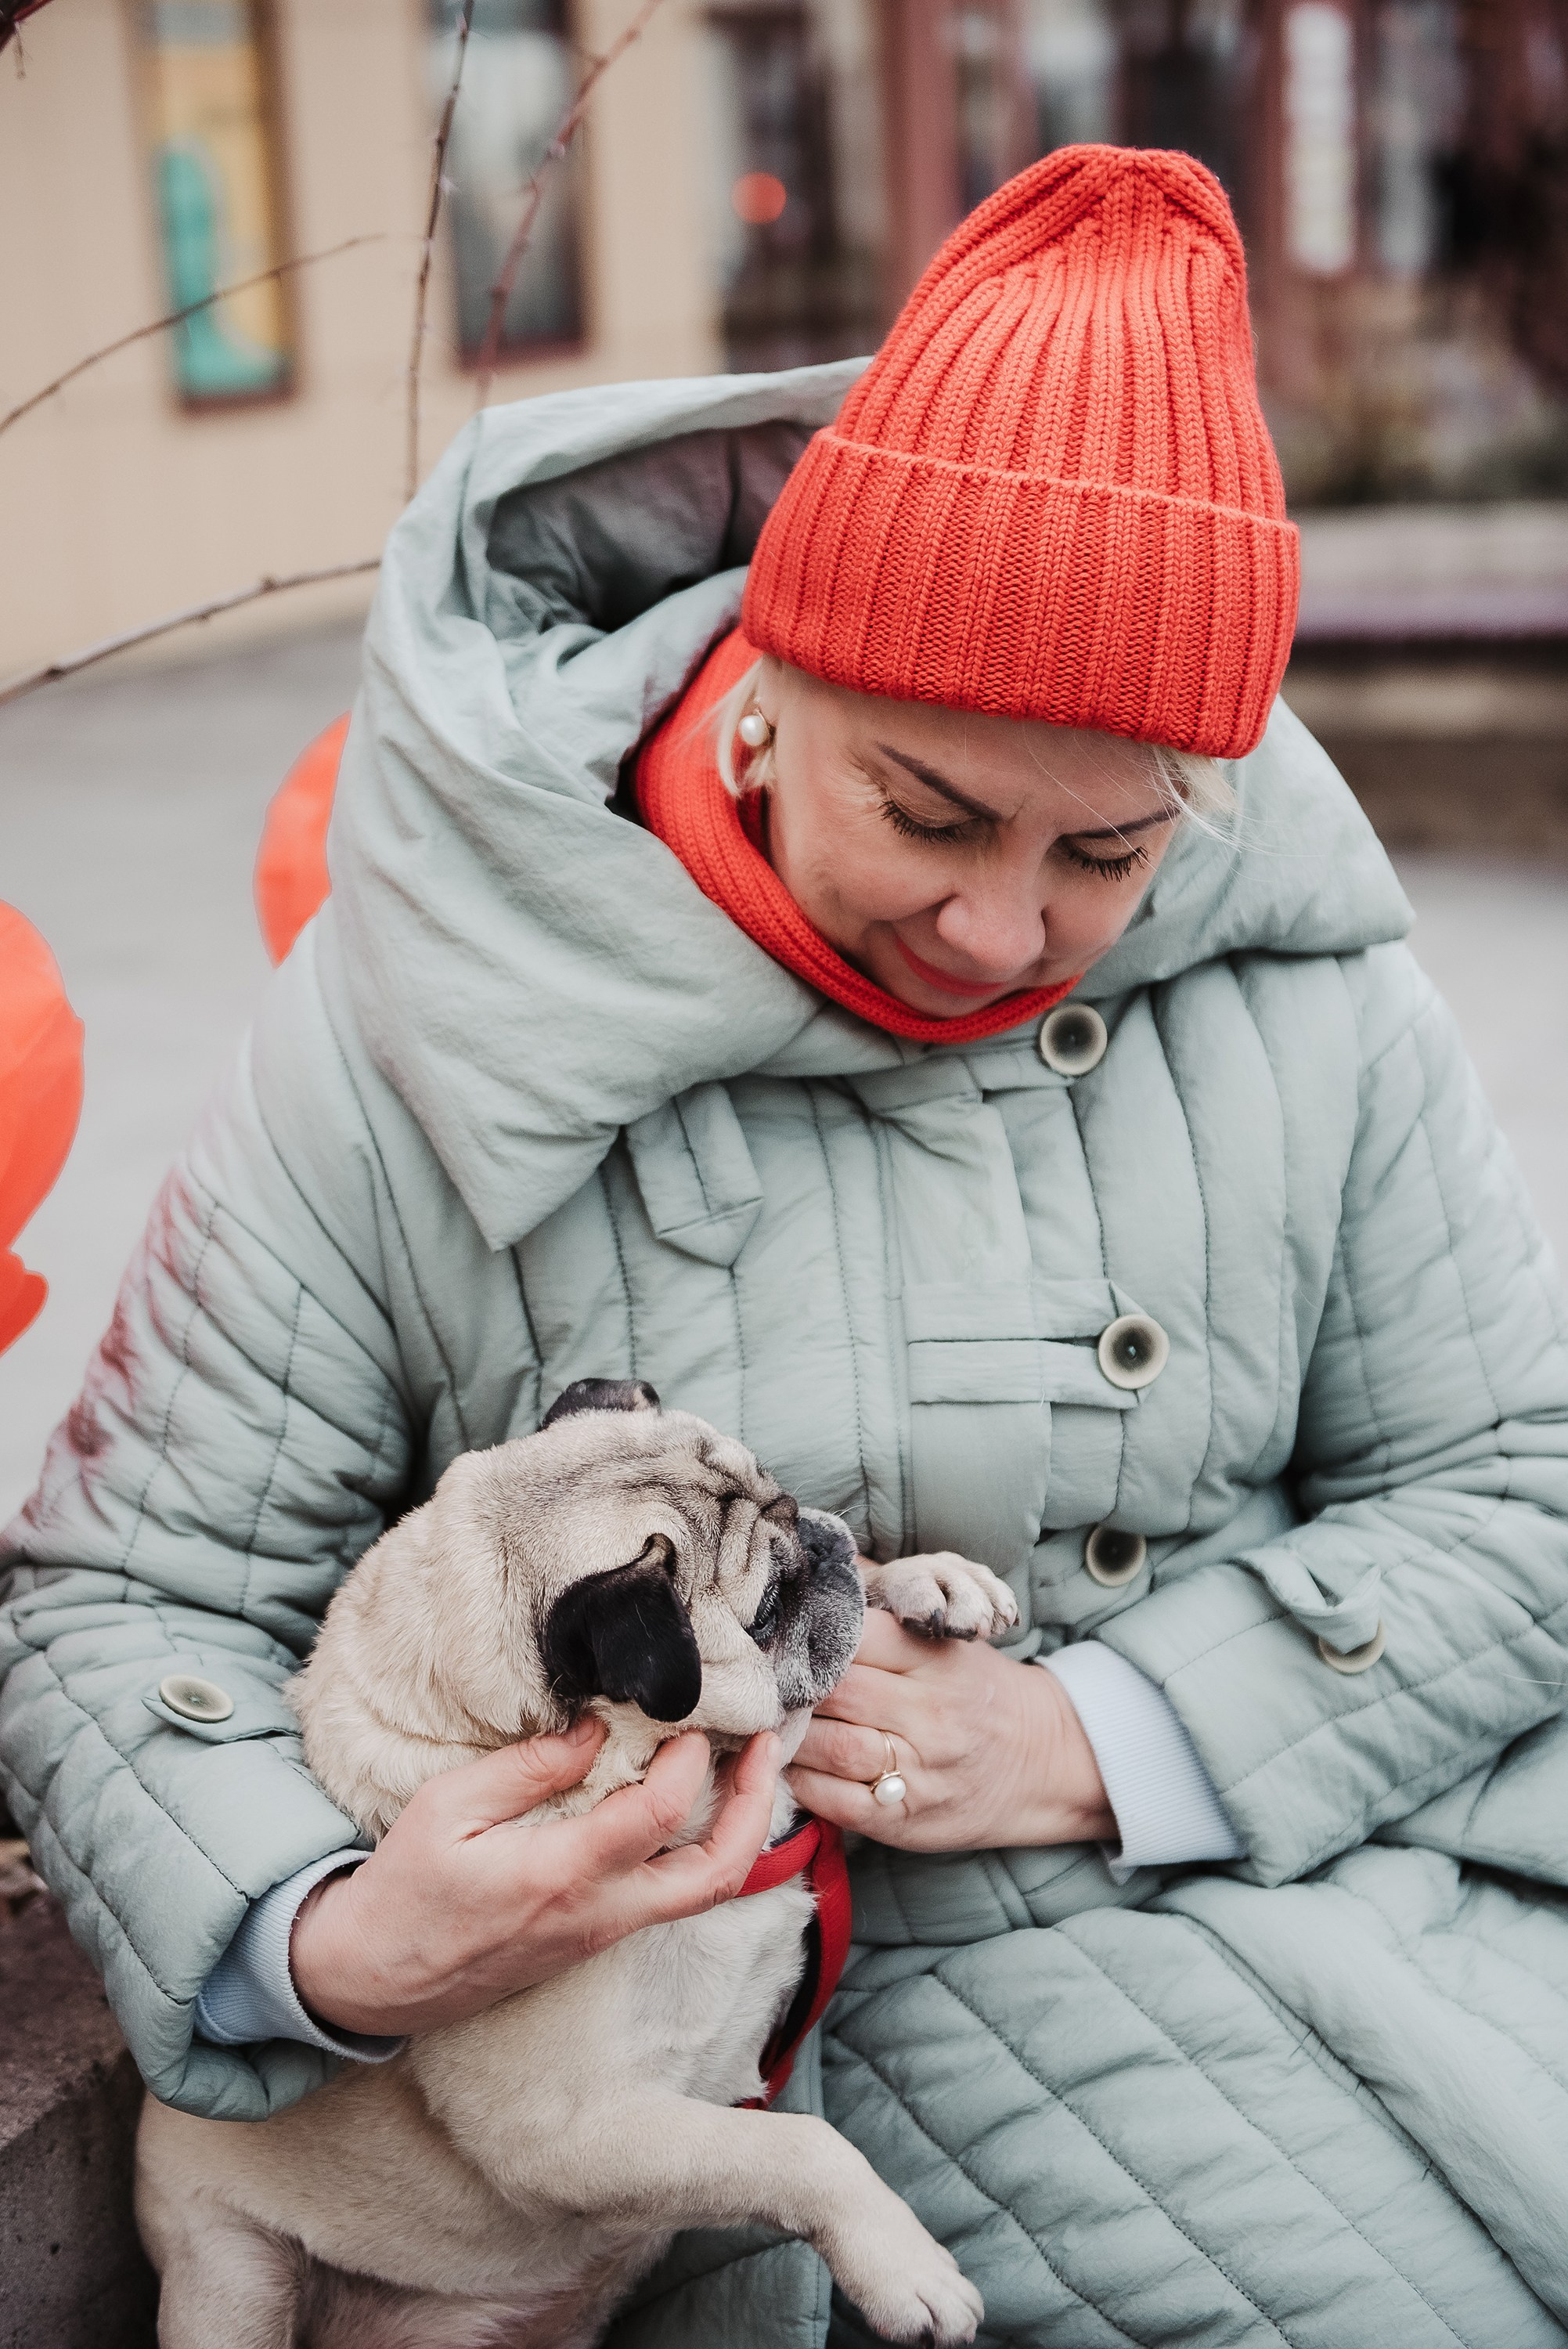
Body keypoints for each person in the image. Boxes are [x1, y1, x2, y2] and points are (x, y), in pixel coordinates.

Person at [4, 143, 1568, 2345]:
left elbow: (1518, 1491)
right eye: (924, 810)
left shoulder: (1314, 993)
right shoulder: (406, 1020)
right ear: (759, 682)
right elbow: (125, 1591)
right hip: (728, 2062)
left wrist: (1106, 1732)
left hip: (1338, 1899)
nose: (1000, 925)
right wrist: (328, 1936)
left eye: (1106, 850)